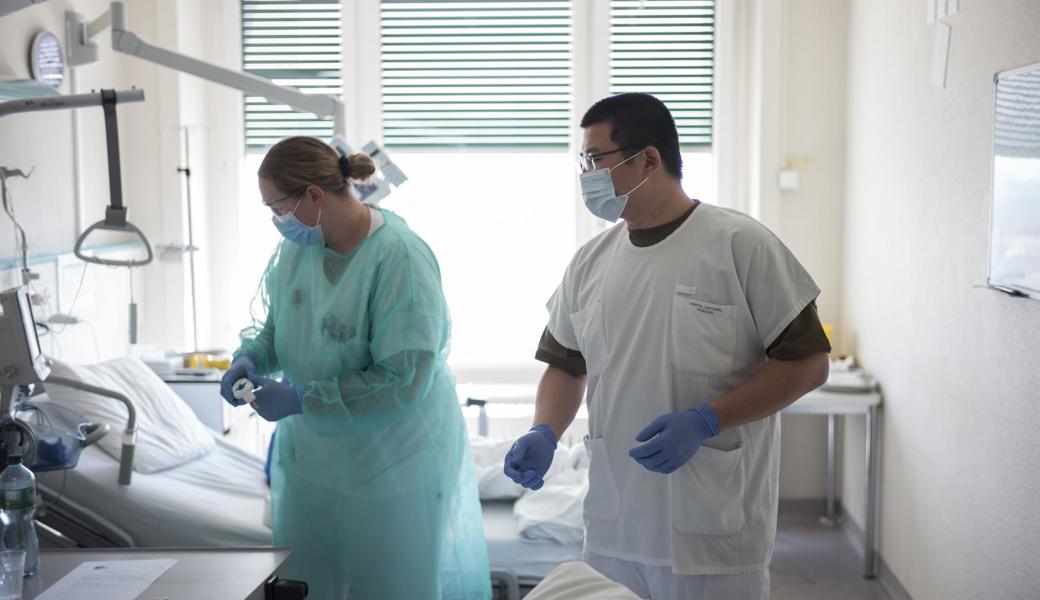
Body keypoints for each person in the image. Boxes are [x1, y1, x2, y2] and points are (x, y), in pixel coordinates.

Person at [503, 93, 831, 600]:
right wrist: (545, 428)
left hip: (713, 532)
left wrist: (707, 419)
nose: (586, 175)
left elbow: (808, 364)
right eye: (582, 161)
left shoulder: (739, 245)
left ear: (648, 159)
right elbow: (566, 365)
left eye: (595, 160)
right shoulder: (590, 263)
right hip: (614, 527)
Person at [220, 136, 491, 600]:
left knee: (392, 588)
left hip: (392, 463)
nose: (275, 221)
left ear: (314, 196)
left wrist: (304, 398)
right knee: (311, 585)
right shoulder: (299, 250)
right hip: (313, 463)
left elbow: (403, 382)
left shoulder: (399, 258)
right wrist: (252, 357)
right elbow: (276, 330)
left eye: (277, 207)